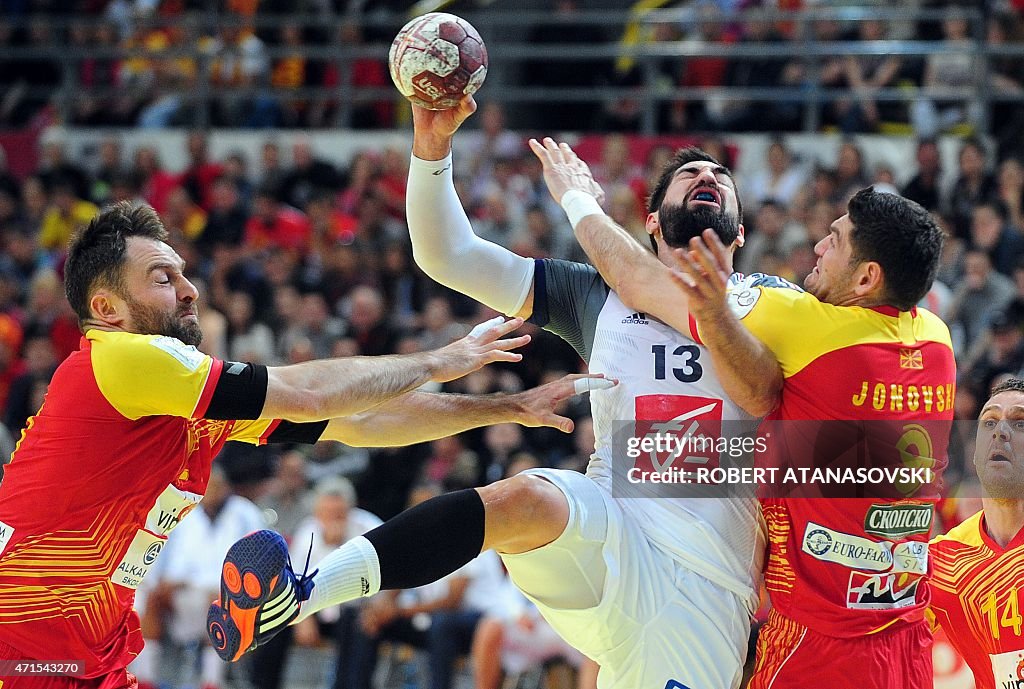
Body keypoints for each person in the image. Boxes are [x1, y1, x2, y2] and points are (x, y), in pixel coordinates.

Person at [211, 97, 780, 689]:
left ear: (739, 230)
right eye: (689, 173)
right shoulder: (595, 295)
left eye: (720, 176)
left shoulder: (775, 302)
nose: (707, 176)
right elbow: (447, 255)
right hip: (612, 526)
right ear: (654, 221)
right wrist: (431, 149)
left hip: (709, 576)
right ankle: (301, 593)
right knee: (528, 497)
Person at [0, 200, 603, 688]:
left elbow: (359, 421)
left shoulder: (184, 406)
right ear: (106, 309)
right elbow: (309, 394)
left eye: (186, 273)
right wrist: (443, 358)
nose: (190, 291)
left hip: (86, 653)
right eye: (163, 278)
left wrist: (501, 407)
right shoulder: (118, 357)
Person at [528, 136, 952, 686]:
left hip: (821, 640)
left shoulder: (805, 323)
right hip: (904, 632)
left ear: (867, 278)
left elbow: (636, 279)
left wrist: (577, 199)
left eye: (834, 240)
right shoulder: (935, 340)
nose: (818, 249)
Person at [929, 377, 1024, 689]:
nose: (1000, 431)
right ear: (973, 451)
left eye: (1020, 422)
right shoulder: (940, 565)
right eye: (989, 421)